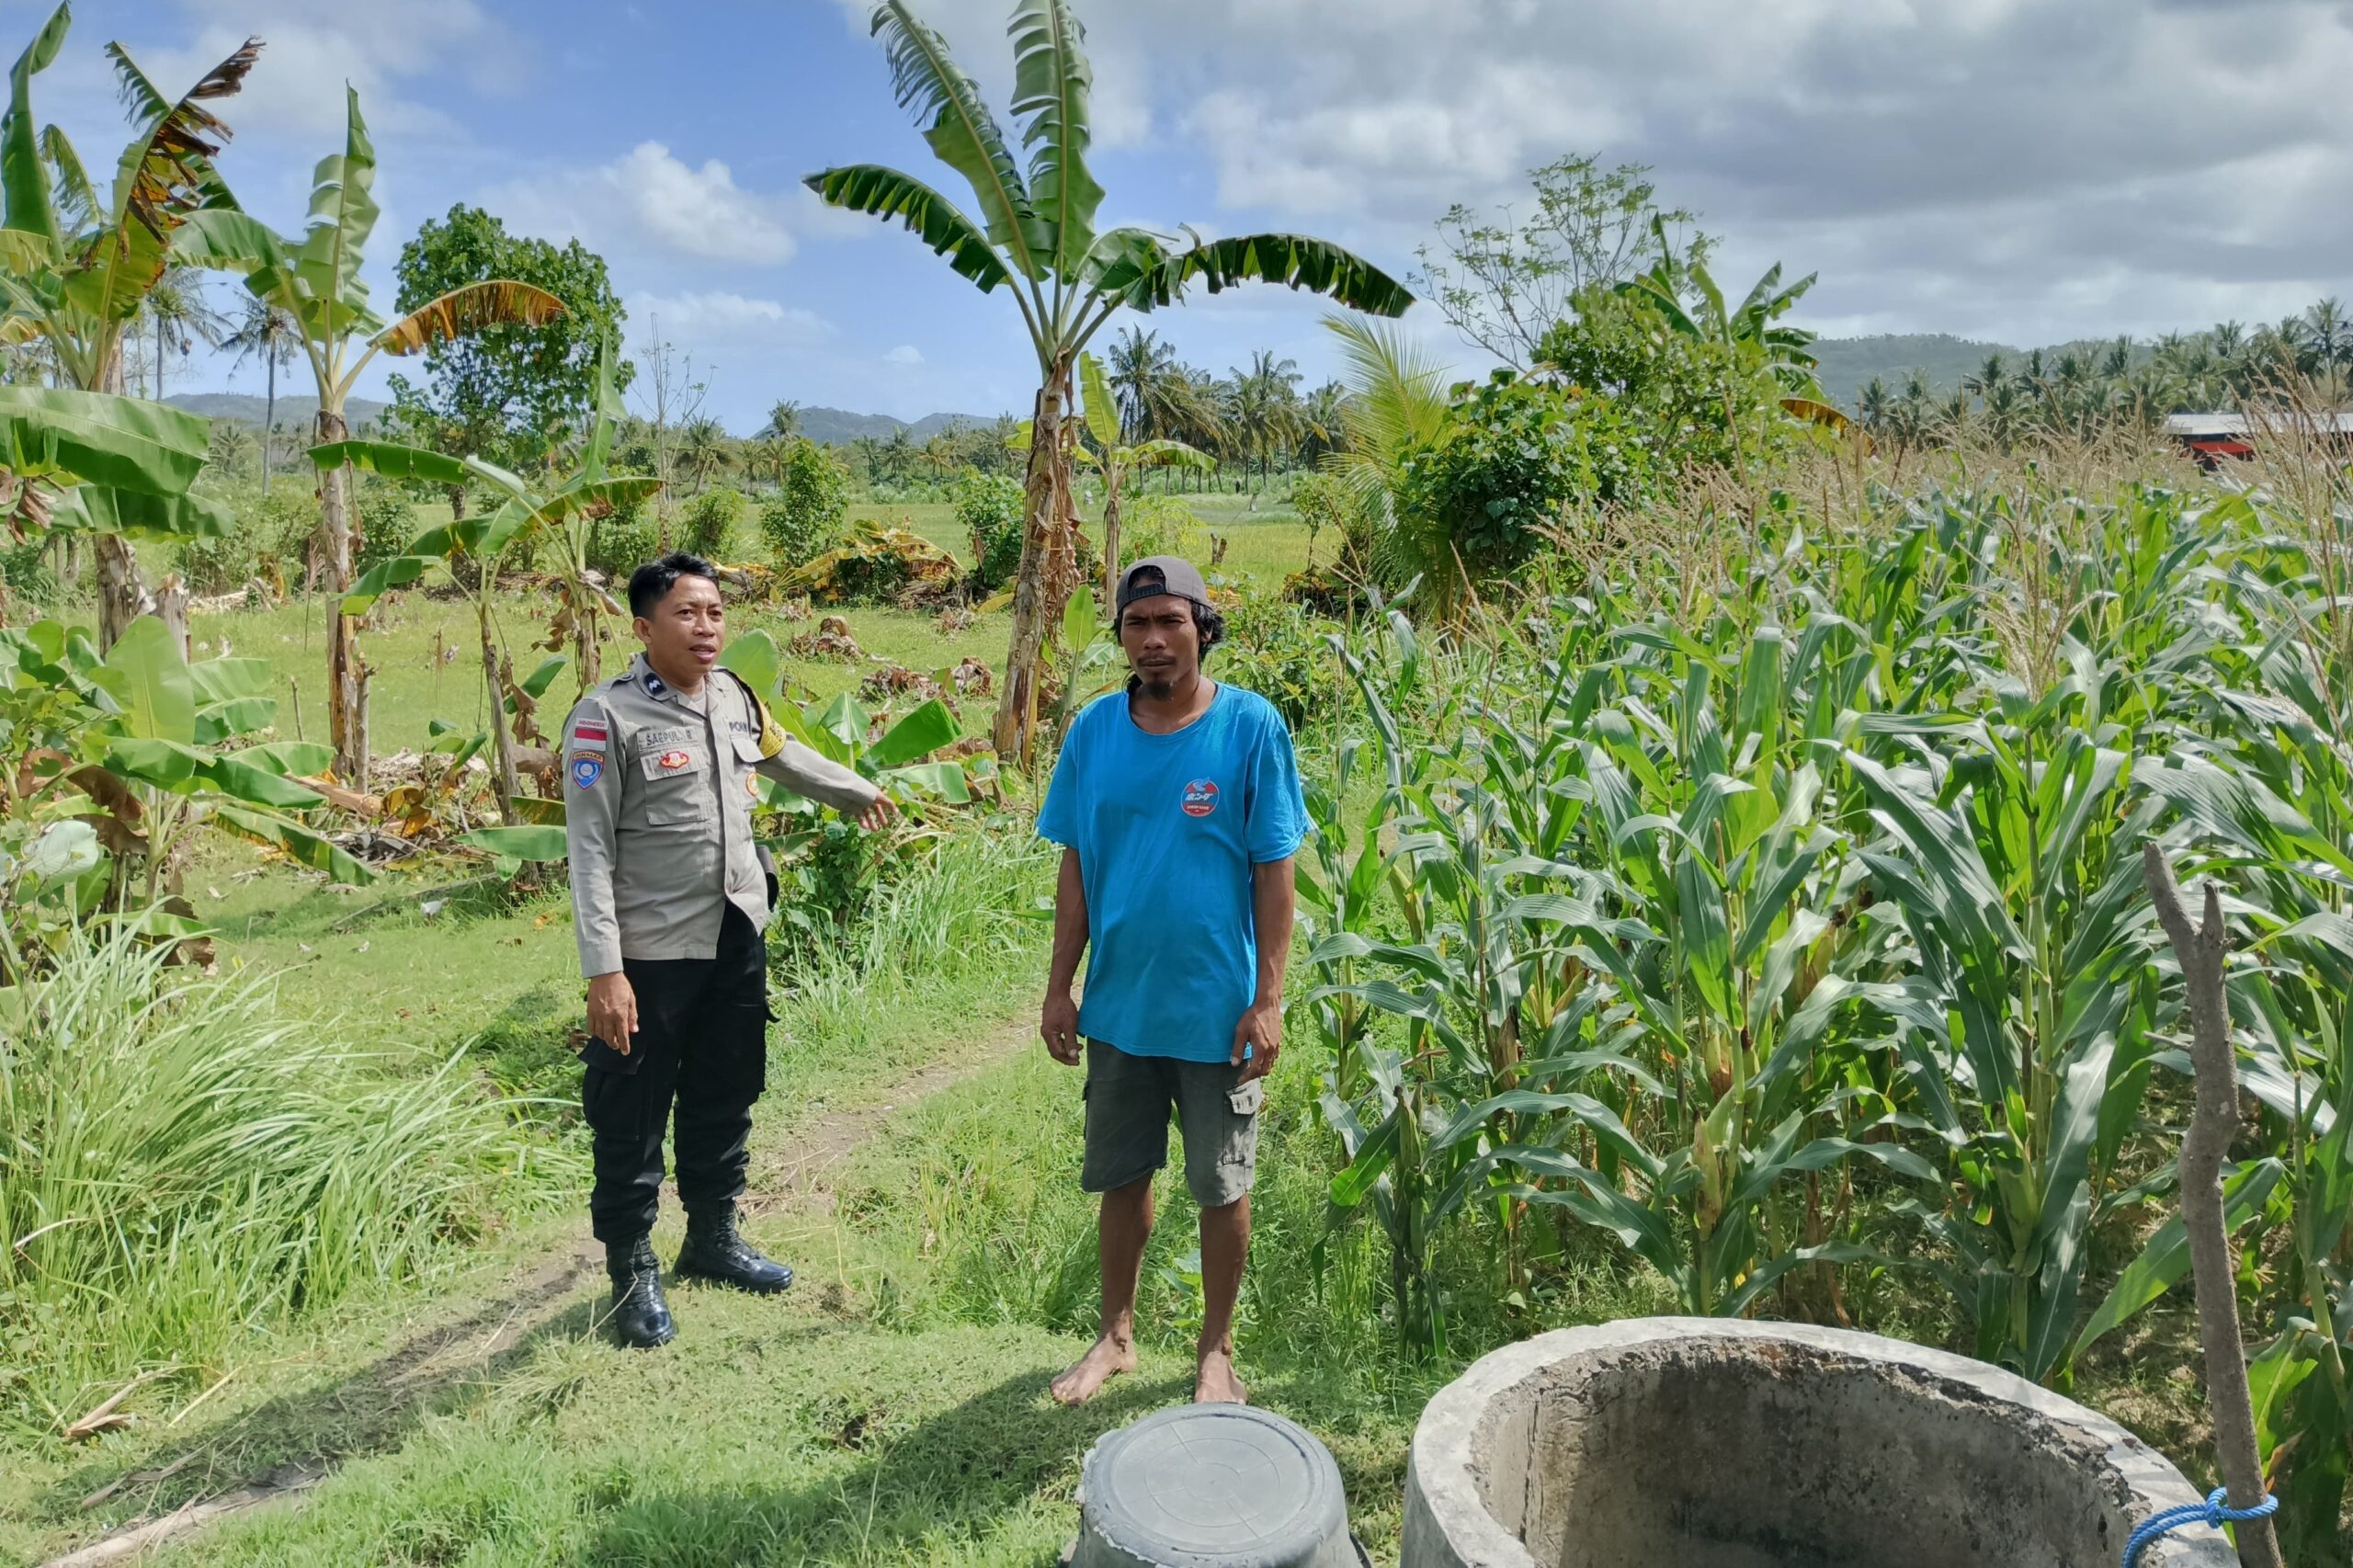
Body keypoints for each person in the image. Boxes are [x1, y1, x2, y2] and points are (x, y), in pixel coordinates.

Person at [563, 552, 895, 1348]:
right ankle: (632, 1268)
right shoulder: (604, 718)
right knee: (633, 1112)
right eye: (687, 613)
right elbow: (587, 851)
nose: (706, 627)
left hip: (735, 931)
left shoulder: (734, 697)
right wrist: (603, 969)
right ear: (644, 628)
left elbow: (779, 754)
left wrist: (856, 791)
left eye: (714, 612)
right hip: (649, 952)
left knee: (726, 1089)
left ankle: (712, 1237)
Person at [1036, 555, 1305, 1406]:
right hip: (1120, 1005)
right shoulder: (1092, 734)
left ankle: (1215, 1353)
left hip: (1216, 1010)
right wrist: (1058, 988)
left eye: (1170, 623)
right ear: (1120, 636)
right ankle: (1115, 1336)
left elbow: (1275, 874)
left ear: (1203, 629)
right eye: (1136, 625)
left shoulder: (1251, 728)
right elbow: (1076, 868)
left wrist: (1267, 1000)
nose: (1153, 642)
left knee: (1222, 1187)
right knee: (1122, 1177)